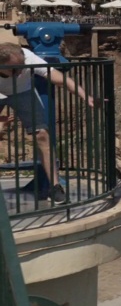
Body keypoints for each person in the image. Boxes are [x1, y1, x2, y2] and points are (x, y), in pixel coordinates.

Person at [0, 43, 96, 204]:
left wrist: (84, 95)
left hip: (23, 92)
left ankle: (55, 187)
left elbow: (55, 75)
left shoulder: (26, 57)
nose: (21, 72)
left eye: (22, 67)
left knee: (42, 135)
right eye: (15, 70)